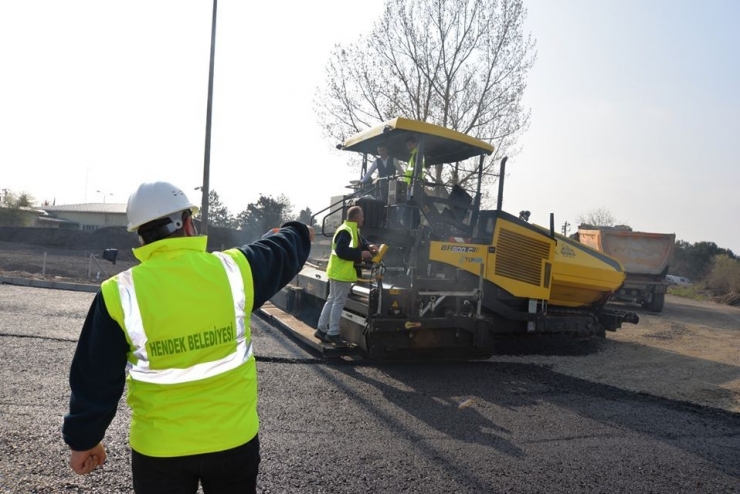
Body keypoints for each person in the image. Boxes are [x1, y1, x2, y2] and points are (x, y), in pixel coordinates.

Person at [62, 181, 314, 494]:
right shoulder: (234, 271)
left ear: (141, 235)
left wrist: (84, 441)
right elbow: (280, 252)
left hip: (159, 450)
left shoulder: (119, 294)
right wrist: (298, 231)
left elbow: (95, 378)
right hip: (233, 442)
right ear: (188, 223)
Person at [314, 205, 377, 345]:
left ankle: (321, 329)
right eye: (362, 216)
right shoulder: (346, 231)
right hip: (341, 273)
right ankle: (333, 333)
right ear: (355, 217)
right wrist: (360, 254)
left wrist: (369, 246)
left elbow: (361, 241)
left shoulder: (349, 229)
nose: (363, 218)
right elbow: (342, 251)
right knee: (338, 302)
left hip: (337, 271)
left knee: (332, 300)